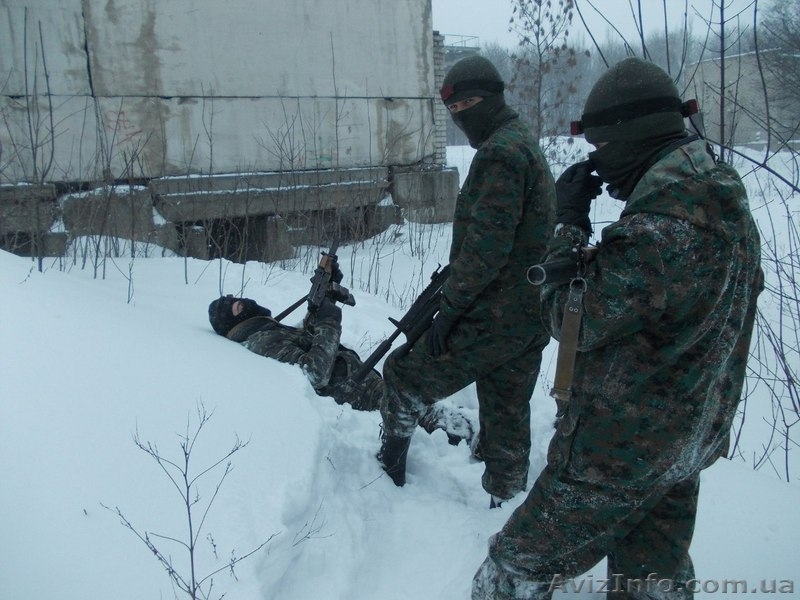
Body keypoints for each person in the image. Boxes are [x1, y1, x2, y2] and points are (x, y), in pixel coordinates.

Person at [472, 57, 763, 599]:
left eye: (602, 149)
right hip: (687, 438)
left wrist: (569, 223)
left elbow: (569, 319)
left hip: (618, 452)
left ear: (632, 137)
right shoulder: (723, 196)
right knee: (650, 581)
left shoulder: (658, 230)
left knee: (510, 573)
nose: (600, 166)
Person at [376, 55, 556, 506]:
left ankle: (386, 471)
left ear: (493, 97)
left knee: (402, 374)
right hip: (527, 315)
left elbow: (485, 248)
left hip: (491, 315)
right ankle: (506, 499)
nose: (462, 116)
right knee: (505, 410)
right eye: (454, 110)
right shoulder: (521, 143)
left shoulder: (500, 153)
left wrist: (450, 311)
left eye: (470, 103)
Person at [207, 294, 474, 444]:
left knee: (412, 402)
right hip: (350, 394)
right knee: (410, 409)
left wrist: (321, 303)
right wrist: (329, 323)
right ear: (236, 321)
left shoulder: (265, 330)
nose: (246, 301)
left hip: (358, 382)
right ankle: (463, 437)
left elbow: (304, 342)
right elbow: (313, 373)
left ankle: (460, 432)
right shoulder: (261, 342)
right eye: (239, 306)